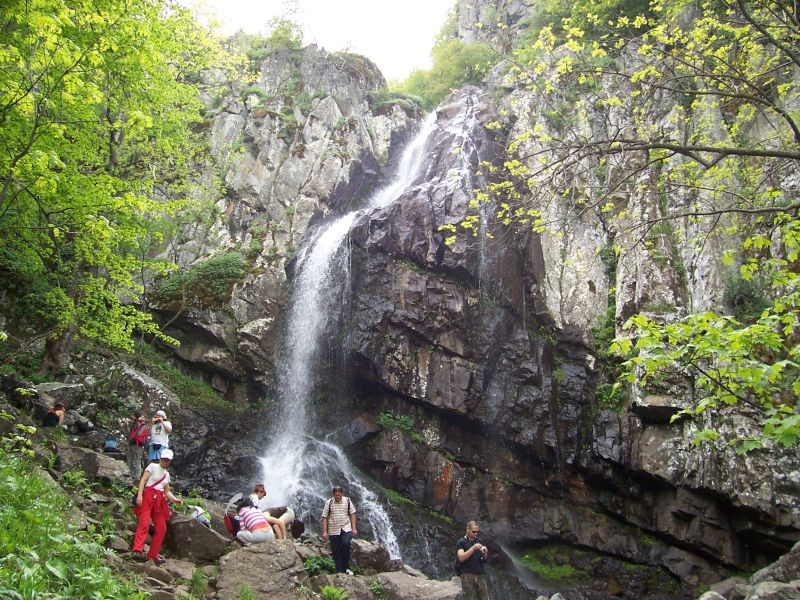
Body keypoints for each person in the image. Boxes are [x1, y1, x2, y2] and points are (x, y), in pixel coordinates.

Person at [131, 448, 182, 565]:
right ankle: (137, 550)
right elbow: (143, 480)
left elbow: (167, 491)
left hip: (159, 500)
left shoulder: (166, 474)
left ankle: (152, 555)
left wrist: (174, 500)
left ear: (170, 461)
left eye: (167, 460)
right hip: (148, 496)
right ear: (160, 458)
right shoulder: (152, 467)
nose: (165, 461)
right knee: (144, 523)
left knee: (161, 529)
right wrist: (139, 496)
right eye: (164, 459)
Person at [321, 485, 357, 574]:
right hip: (333, 529)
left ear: (342, 494)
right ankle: (340, 571)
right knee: (336, 550)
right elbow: (324, 517)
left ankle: (347, 568)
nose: (337, 497)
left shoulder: (347, 501)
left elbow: (352, 514)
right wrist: (325, 532)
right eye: (336, 495)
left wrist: (354, 528)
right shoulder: (329, 503)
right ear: (333, 495)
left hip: (346, 527)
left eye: (339, 495)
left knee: (346, 543)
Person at [456, 520, 489, 600]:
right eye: (473, 532)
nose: (475, 534)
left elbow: (484, 559)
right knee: (469, 597)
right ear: (467, 529)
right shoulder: (461, 542)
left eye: (477, 532)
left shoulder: (479, 541)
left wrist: (485, 553)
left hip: (480, 574)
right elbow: (461, 557)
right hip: (468, 575)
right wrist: (473, 548)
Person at [126, 410, 149, 481]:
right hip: (131, 443)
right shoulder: (134, 423)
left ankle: (137, 477)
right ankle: (130, 475)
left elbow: (138, 432)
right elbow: (130, 434)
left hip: (137, 443)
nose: (131, 416)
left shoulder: (140, 423)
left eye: (133, 415)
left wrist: (140, 420)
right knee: (130, 460)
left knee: (136, 460)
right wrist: (126, 426)